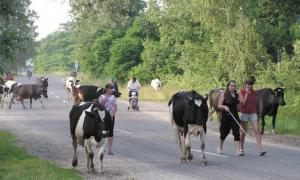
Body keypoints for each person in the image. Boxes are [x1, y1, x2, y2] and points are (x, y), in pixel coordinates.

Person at [239, 78, 266, 156]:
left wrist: (259, 112)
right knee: (244, 132)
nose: (249, 86)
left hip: (253, 113)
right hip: (244, 113)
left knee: (257, 130)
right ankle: (241, 148)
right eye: (247, 84)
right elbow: (243, 103)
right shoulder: (241, 92)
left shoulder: (255, 93)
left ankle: (260, 150)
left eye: (250, 84)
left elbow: (257, 103)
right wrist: (246, 93)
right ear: (245, 84)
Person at [217, 80, 243, 156]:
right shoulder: (223, 95)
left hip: (234, 116)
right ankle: (220, 147)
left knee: (236, 133)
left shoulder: (237, 95)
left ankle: (237, 151)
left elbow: (239, 105)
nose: (233, 87)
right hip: (226, 116)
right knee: (224, 133)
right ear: (228, 86)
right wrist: (224, 106)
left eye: (234, 86)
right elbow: (219, 105)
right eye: (231, 85)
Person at [98, 83, 118, 155]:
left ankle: (109, 150)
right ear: (107, 89)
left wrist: (113, 114)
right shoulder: (101, 96)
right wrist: (104, 100)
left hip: (111, 116)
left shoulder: (113, 97)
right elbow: (99, 106)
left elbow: (115, 107)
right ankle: (102, 148)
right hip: (103, 116)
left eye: (113, 89)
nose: (112, 90)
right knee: (103, 132)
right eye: (111, 89)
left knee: (110, 132)